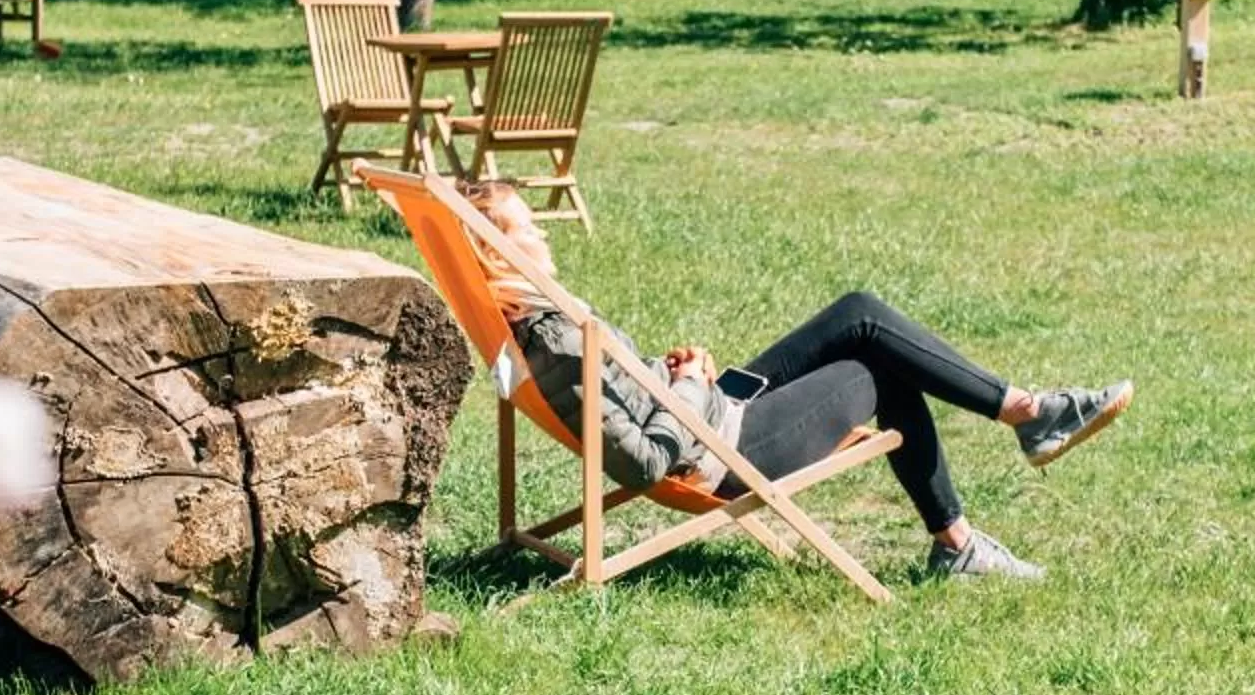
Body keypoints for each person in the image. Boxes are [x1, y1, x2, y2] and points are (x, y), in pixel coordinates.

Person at [463, 179, 1129, 581]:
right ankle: (1015, 438)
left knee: (859, 312)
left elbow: (630, 411)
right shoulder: (553, 337)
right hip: (720, 454)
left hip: (711, 416)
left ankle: (1011, 446)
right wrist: (692, 386)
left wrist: (674, 381)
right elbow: (642, 464)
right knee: (877, 362)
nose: (544, 238)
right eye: (528, 230)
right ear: (499, 252)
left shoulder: (542, 319)